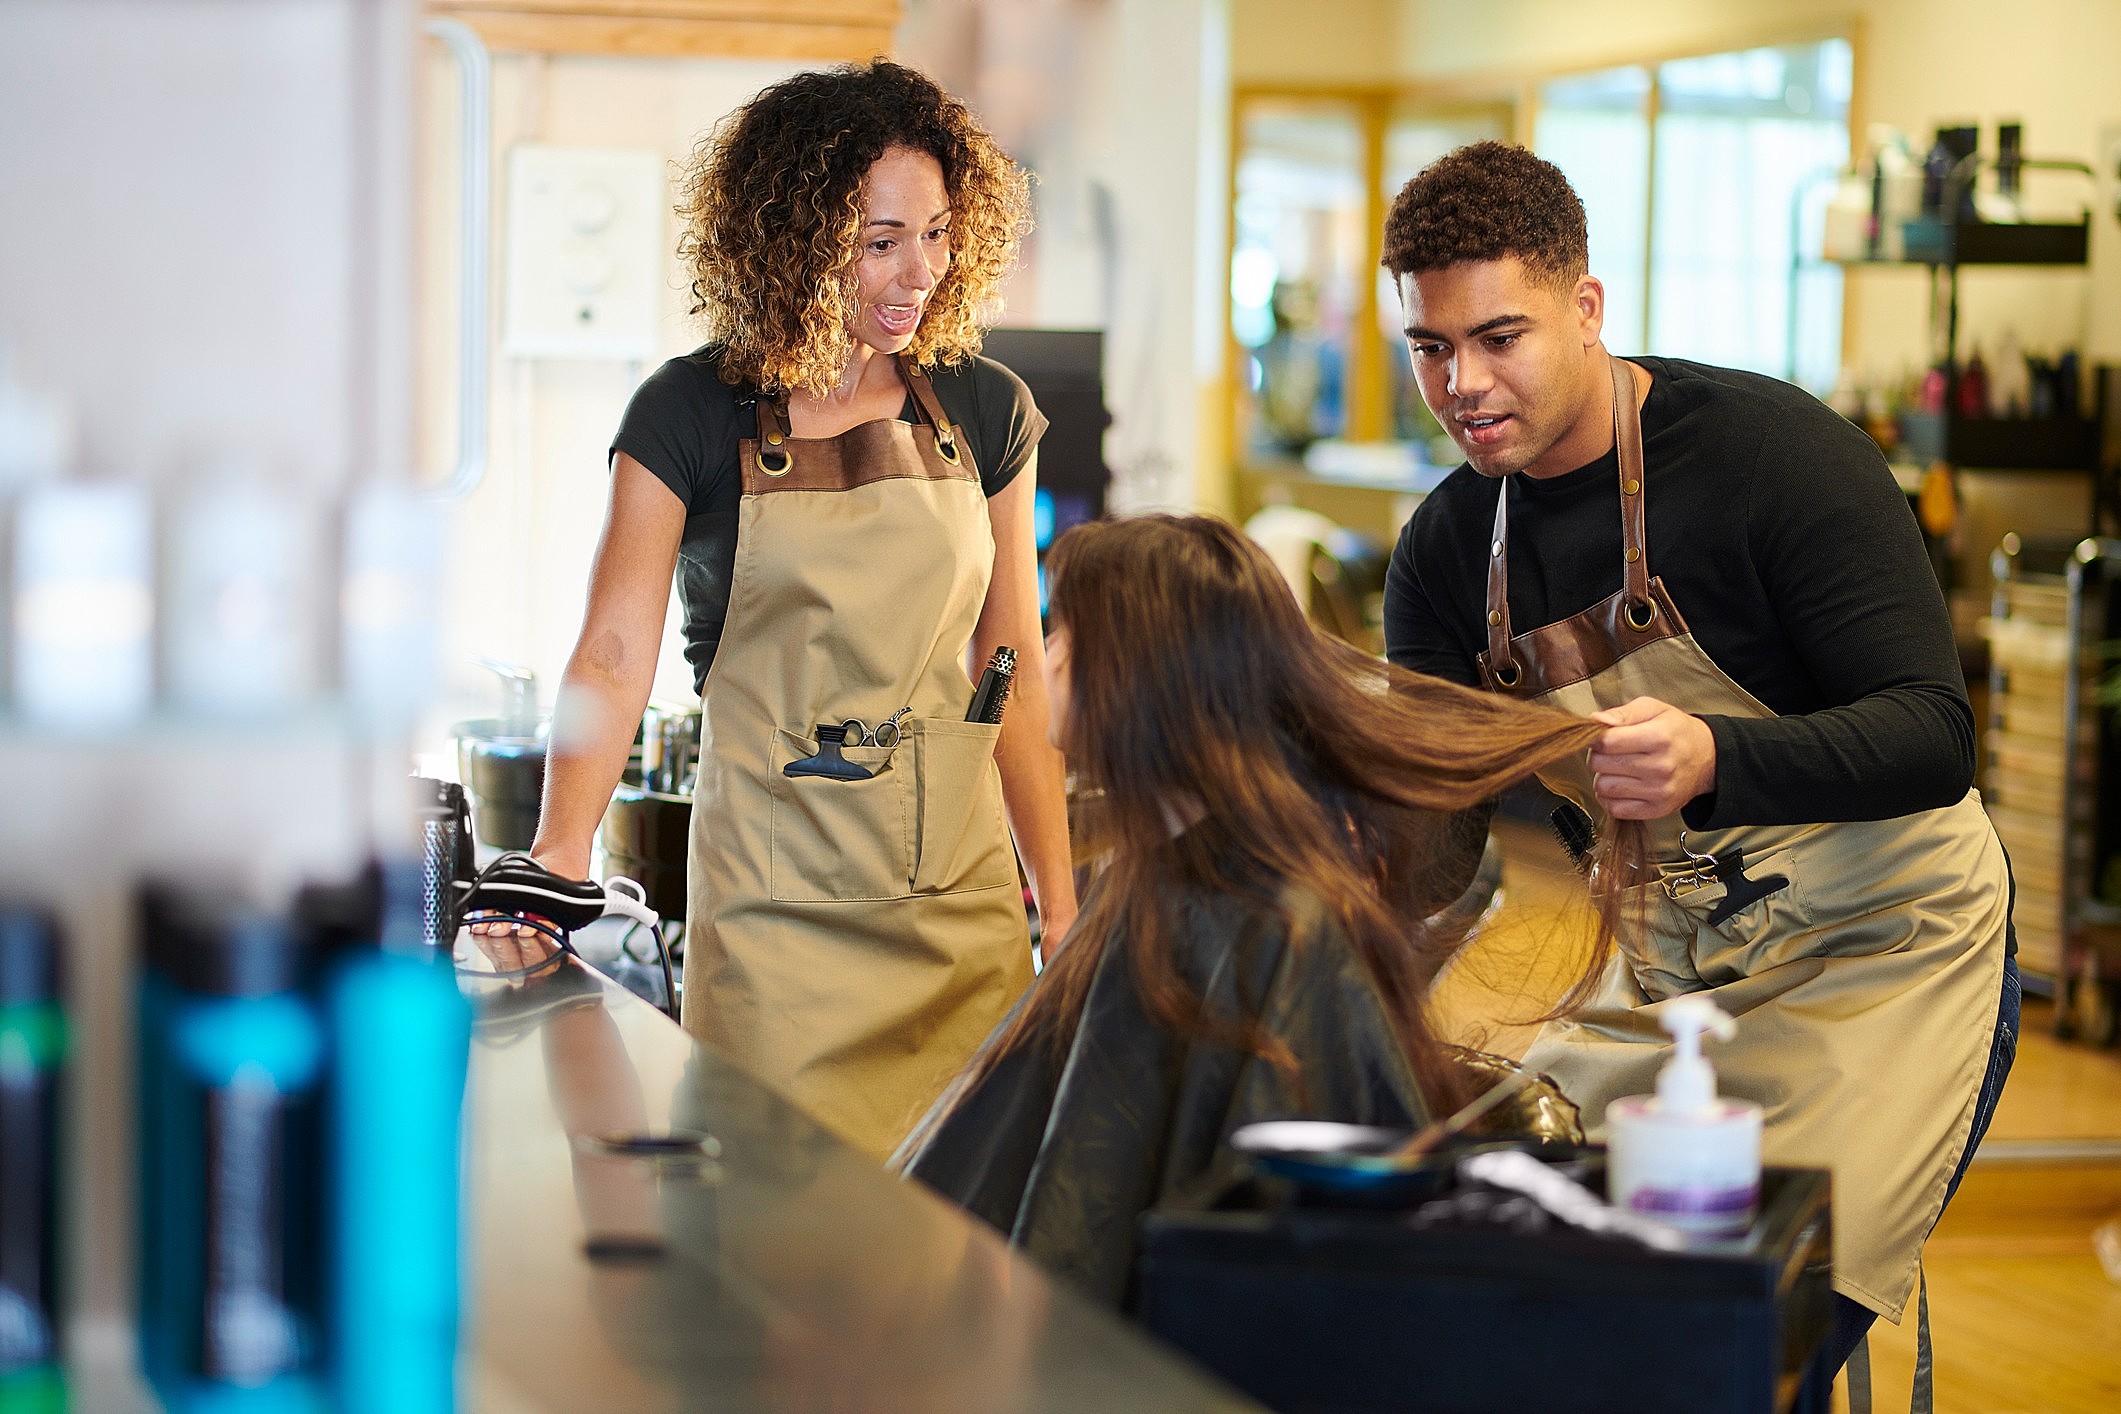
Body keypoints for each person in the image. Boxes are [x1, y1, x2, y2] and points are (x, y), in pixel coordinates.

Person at [1378, 141, 2018, 1396]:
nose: (1464, 383)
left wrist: (1721, 755)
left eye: (1500, 337)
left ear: (1588, 308)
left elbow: (1937, 734)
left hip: (1884, 957)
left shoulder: (1774, 461)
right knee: (1523, 1257)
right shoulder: (1449, 552)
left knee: (1752, 1349)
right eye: (1431, 348)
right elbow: (1438, 832)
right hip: (1669, 979)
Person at [490, 60, 1076, 1160]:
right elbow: (614, 653)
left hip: (961, 923)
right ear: (794, 237)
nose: (921, 273)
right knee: (780, 1260)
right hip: (774, 936)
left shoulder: (988, 409)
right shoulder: (688, 414)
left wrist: (1066, 906)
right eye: (881, 240)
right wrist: (559, 857)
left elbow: (1014, 668)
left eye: (941, 233)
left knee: (956, 1269)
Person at [900, 513, 1626, 1307]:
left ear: (1146, 671)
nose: (1045, 656)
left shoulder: (1276, 928)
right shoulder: (1158, 877)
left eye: (1063, 631)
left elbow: (1262, 1257)